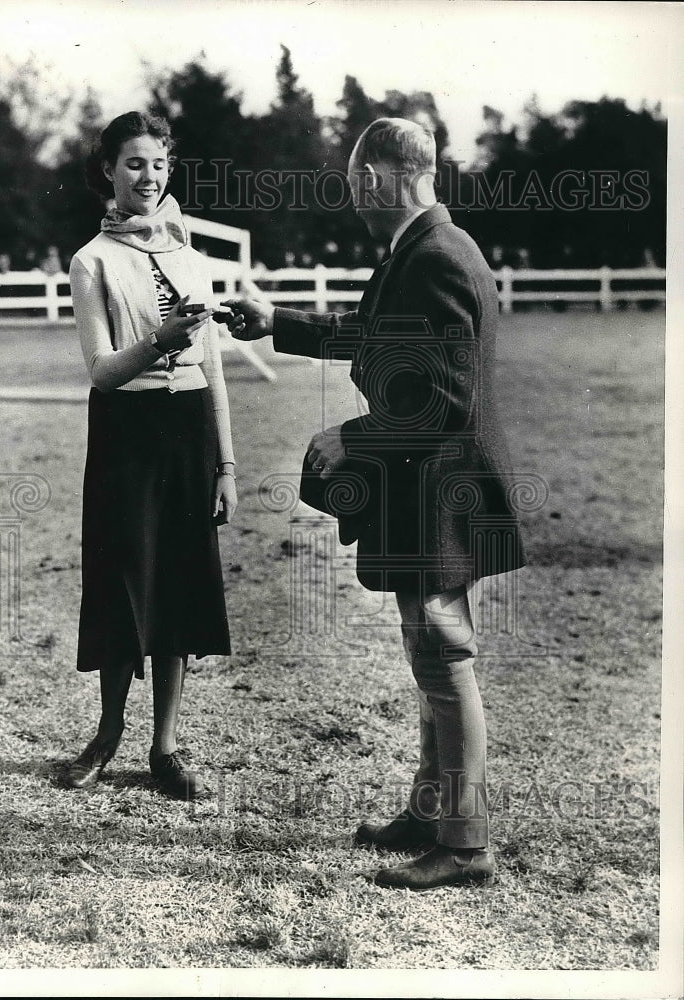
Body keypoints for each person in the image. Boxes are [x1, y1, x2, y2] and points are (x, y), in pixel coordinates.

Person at [225, 118, 526, 891]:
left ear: (386, 177)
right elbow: (374, 337)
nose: (355, 197)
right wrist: (278, 324)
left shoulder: (435, 258)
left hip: (438, 484)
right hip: (425, 483)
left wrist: (353, 440)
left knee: (441, 650)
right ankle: (430, 813)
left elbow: (445, 400)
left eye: (360, 181)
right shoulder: (420, 253)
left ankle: (463, 844)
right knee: (429, 649)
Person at [65, 111, 237, 798]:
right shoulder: (91, 261)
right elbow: (103, 371)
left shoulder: (191, 255)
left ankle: (164, 748)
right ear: (108, 169)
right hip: (125, 432)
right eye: (134, 163)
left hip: (188, 430)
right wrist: (161, 341)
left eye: (159, 164)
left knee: (180, 582)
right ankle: (106, 736)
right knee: (122, 581)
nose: (149, 176)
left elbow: (214, 369)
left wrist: (227, 467)